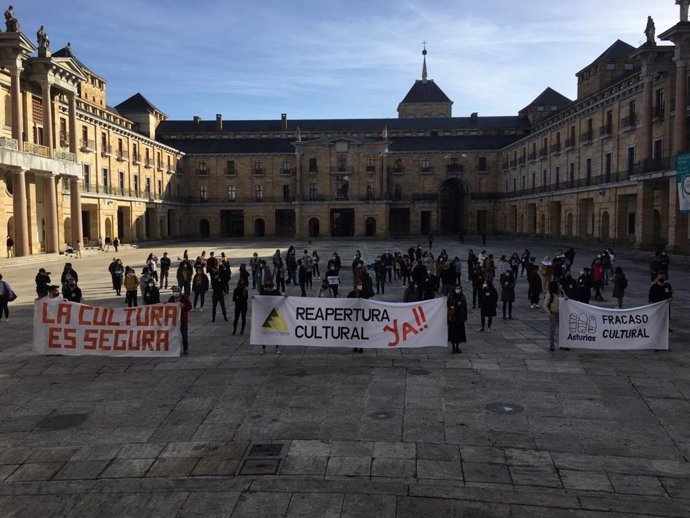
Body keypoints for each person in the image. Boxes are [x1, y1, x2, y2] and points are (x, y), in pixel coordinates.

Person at [261, 280, 283, 354]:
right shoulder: (263, 292)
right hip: (265, 313)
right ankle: (263, 348)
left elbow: (281, 298)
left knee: (275, 332)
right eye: (267, 287)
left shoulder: (275, 292)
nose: (268, 288)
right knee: (265, 332)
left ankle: (277, 348)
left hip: (273, 313)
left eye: (270, 286)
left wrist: (284, 297)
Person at [169, 286, 192, 355]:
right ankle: (173, 348)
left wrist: (183, 306)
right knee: (173, 335)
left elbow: (189, 307)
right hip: (174, 321)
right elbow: (168, 306)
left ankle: (185, 349)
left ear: (179, 291)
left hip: (182, 320)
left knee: (184, 335)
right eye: (173, 291)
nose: (175, 293)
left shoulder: (184, 298)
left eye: (176, 291)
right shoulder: (171, 299)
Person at [447, 284, 467, 354]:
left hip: (460, 318)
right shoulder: (451, 297)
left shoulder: (463, 297)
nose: (458, 290)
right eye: (456, 288)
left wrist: (465, 317)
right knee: (453, 333)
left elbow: (465, 308)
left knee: (459, 333)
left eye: (459, 289)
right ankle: (453, 347)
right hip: (452, 318)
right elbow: (447, 306)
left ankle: (457, 347)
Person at [348, 282, 366, 353]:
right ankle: (355, 346)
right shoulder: (351, 294)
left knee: (361, 332)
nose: (359, 287)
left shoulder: (363, 294)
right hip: (353, 316)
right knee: (354, 332)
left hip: (361, 316)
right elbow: (347, 302)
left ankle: (361, 346)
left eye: (360, 285)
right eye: (358, 285)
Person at [543, 280, 561, 352]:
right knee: (552, 330)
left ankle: (563, 344)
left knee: (563, 330)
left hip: (562, 313)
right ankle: (552, 345)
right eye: (557, 285)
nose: (559, 286)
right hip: (554, 313)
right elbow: (545, 305)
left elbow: (565, 297)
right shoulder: (549, 294)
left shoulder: (561, 292)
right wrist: (549, 314)